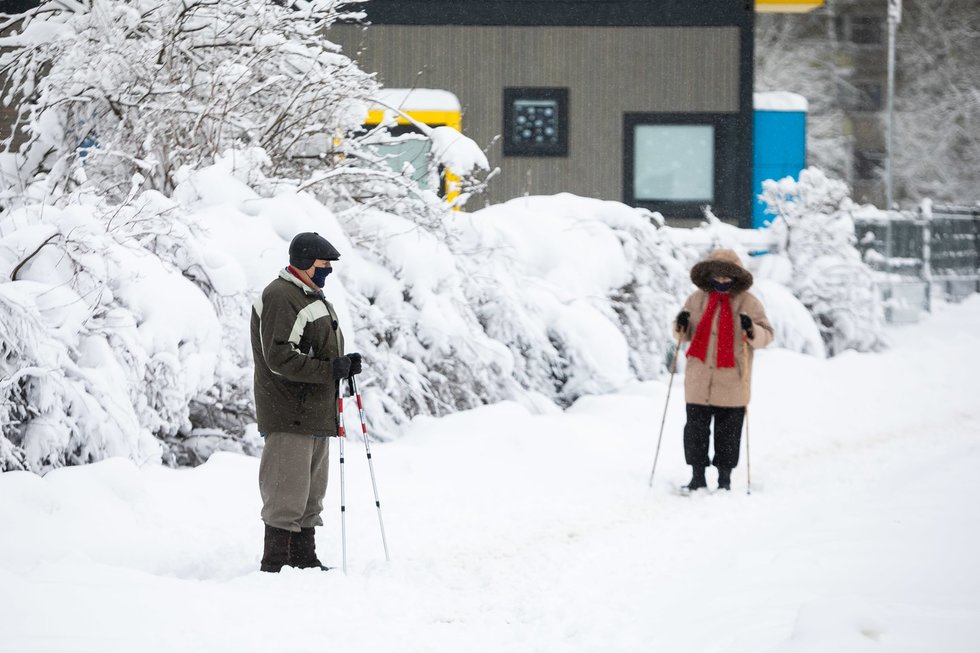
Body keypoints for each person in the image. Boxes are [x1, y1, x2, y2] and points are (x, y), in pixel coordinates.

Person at [250, 231, 363, 572]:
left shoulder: (309, 295)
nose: (327, 270)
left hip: (315, 412)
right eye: (322, 263)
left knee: (311, 493)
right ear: (303, 262)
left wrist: (342, 365)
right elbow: (278, 358)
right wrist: (330, 369)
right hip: (289, 411)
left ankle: (303, 559)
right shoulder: (281, 296)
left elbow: (316, 349)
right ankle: (276, 563)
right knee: (286, 491)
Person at [673, 249, 773, 491]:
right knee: (695, 431)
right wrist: (680, 324)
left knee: (728, 433)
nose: (721, 280)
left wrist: (752, 330)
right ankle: (697, 477)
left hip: (733, 381)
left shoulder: (749, 303)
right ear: (709, 275)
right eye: (717, 276)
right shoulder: (696, 299)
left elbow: (767, 336)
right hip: (699, 380)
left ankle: (724, 480)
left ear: (736, 277)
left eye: (726, 276)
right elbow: (683, 335)